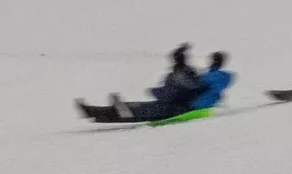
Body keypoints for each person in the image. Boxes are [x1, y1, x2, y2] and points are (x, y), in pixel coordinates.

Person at [76, 46, 233, 123]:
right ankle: (93, 110)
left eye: (213, 59)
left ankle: (113, 110)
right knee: (142, 106)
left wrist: (181, 68)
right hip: (180, 103)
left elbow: (192, 85)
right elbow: (186, 85)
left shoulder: (217, 77)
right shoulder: (206, 76)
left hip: (187, 107)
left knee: (145, 109)